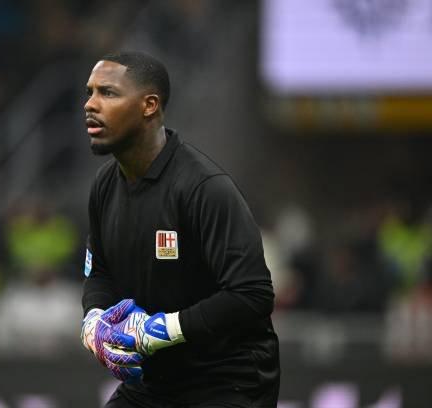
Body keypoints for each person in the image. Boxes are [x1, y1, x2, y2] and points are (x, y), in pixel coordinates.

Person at [80, 51, 280, 408]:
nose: (90, 104)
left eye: (107, 93)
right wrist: (93, 322)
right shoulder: (104, 186)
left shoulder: (204, 187)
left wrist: (159, 330)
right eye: (90, 92)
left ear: (149, 106)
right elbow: (99, 273)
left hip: (227, 381)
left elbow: (252, 293)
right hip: (154, 383)